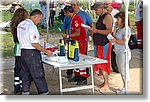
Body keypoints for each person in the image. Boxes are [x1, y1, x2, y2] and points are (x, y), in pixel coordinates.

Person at [17, 9, 53, 95]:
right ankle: (44, 93)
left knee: (25, 74)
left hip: (23, 51)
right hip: (32, 53)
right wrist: (46, 51)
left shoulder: (20, 24)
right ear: (35, 16)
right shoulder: (32, 27)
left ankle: (25, 92)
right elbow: (34, 44)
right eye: (39, 19)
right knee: (38, 74)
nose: (39, 21)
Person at [62, 0, 94, 83]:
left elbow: (78, 32)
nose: (65, 15)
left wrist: (68, 36)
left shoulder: (76, 19)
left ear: (68, 12)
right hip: (75, 41)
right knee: (75, 58)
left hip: (80, 41)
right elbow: (66, 28)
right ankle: (77, 75)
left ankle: (83, 77)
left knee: (81, 58)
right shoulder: (72, 18)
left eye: (65, 13)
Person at [90, 2, 113, 93]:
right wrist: (94, 32)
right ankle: (104, 82)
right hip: (99, 43)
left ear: (101, 8)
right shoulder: (101, 17)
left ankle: (107, 84)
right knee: (99, 63)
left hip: (104, 44)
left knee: (104, 63)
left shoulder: (107, 17)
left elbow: (109, 31)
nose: (95, 12)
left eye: (96, 10)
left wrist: (97, 31)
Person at [109, 11, 131, 94]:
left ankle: (127, 89)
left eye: (118, 19)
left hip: (123, 52)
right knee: (122, 71)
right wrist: (115, 27)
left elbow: (125, 42)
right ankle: (125, 87)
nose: (116, 20)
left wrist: (116, 41)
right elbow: (114, 36)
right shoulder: (119, 28)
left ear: (122, 19)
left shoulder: (126, 29)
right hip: (118, 51)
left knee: (124, 71)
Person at [10, 8, 29, 94]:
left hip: (17, 47)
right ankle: (21, 85)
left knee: (17, 67)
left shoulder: (14, 25)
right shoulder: (22, 26)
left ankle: (16, 85)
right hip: (22, 47)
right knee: (22, 68)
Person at [105, 1, 120, 73]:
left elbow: (119, 23)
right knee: (107, 51)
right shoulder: (104, 13)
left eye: (107, 4)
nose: (106, 6)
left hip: (114, 34)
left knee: (114, 51)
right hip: (106, 34)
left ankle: (115, 66)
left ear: (111, 4)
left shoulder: (116, 13)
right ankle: (106, 68)